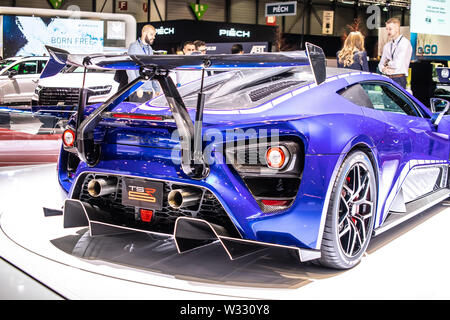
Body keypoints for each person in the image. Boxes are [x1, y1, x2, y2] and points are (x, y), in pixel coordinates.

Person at [126, 24, 161, 102]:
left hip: (149, 90)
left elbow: (152, 69)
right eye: (151, 34)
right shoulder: (134, 47)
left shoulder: (150, 49)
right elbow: (130, 69)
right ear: (144, 33)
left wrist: (156, 88)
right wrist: (137, 87)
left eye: (154, 35)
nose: (154, 37)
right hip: (138, 90)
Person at [378, 18, 412, 89]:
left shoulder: (405, 43)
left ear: (397, 29)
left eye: (390, 29)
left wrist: (387, 63)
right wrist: (384, 69)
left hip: (399, 79)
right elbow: (380, 64)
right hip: (386, 79)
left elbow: (398, 64)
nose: (388, 31)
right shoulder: (387, 45)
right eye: (387, 29)